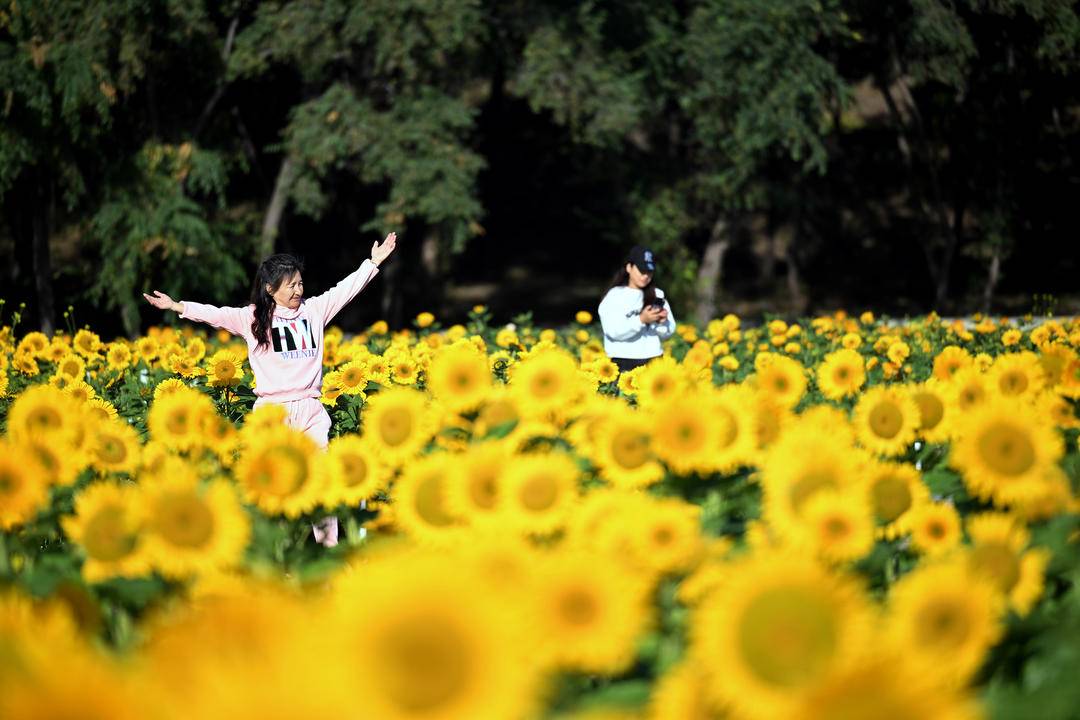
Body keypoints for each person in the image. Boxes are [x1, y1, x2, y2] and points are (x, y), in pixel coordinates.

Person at [143, 232, 399, 547]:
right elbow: (216, 313)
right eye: (290, 285)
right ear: (270, 289)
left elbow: (345, 290)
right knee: (273, 484)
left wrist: (372, 262)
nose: (298, 290)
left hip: (309, 410)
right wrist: (177, 306)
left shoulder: (314, 311)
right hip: (272, 415)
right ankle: (279, 549)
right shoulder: (253, 319)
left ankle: (327, 549)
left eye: (300, 283)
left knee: (318, 479)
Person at [597, 245, 677, 373]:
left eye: (649, 271)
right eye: (642, 270)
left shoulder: (658, 294)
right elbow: (613, 331)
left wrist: (662, 322)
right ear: (629, 267)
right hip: (623, 361)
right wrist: (641, 320)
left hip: (654, 359)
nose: (646, 276)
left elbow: (668, 332)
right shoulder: (614, 296)